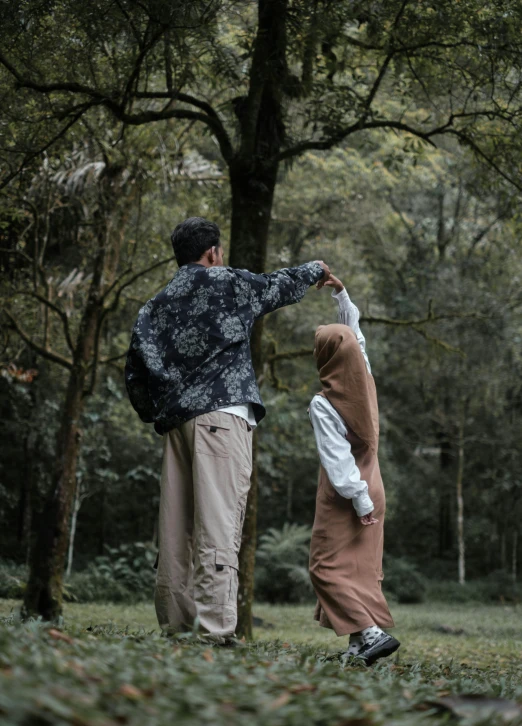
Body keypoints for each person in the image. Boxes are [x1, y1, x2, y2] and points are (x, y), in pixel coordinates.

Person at [125, 217, 331, 642]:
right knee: (217, 524)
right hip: (222, 419)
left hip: (177, 425)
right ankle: (214, 632)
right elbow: (278, 285)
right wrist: (316, 269)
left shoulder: (154, 306)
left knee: (175, 529)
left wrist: (158, 413)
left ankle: (179, 627)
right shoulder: (227, 283)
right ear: (213, 253)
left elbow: (135, 376)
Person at [308, 273, 400, 665]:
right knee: (360, 569)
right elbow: (354, 335)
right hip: (374, 483)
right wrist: (341, 294)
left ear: (326, 360)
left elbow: (337, 459)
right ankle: (357, 647)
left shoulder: (324, 403)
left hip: (347, 492)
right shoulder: (365, 376)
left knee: (324, 567)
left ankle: (372, 634)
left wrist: (359, 501)